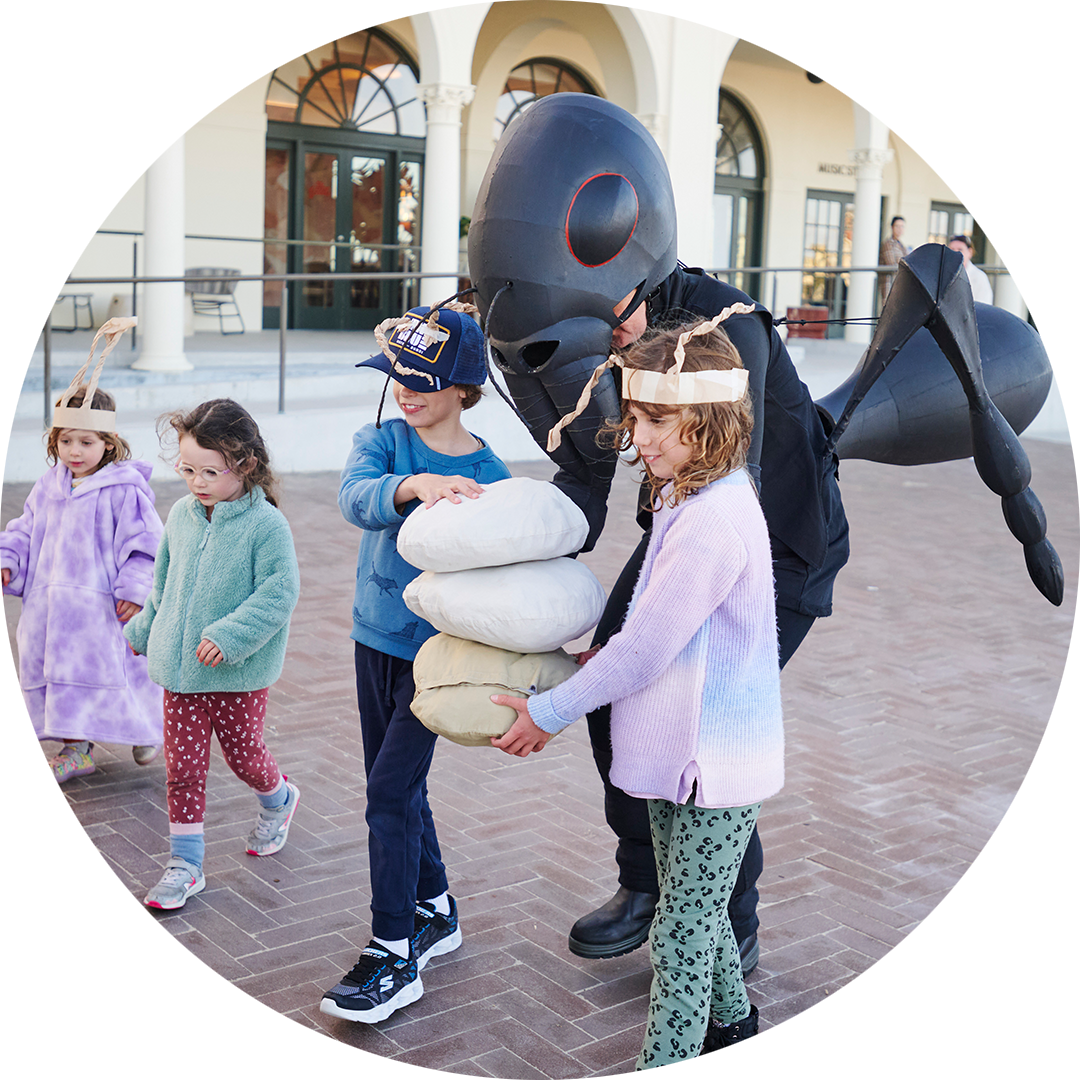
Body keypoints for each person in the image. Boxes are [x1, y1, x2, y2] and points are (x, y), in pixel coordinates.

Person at [492, 315, 782, 1067]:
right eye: (635, 416)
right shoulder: (687, 495)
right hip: (681, 756)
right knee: (701, 911)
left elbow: (650, 647)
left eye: (658, 419)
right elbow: (664, 626)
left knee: (682, 931)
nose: (640, 436)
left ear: (709, 418)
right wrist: (599, 653)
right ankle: (734, 1027)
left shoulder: (713, 517)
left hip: (713, 766)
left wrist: (551, 711)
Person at [564, 266, 848, 970]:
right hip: (689, 520)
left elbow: (728, 470)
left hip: (782, 548)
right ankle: (645, 881)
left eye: (612, 323)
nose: (606, 342)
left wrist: (545, 711)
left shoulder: (726, 325)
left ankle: (729, 924)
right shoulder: (658, 400)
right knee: (617, 697)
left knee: (706, 739)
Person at [320, 303, 512, 1025]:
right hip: (375, 640)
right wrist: (412, 488)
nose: (407, 389)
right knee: (393, 785)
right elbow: (353, 501)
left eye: (424, 380)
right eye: (399, 375)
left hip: (441, 659)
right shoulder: (382, 441)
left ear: (463, 387)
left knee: (389, 795)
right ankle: (437, 908)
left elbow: (504, 572)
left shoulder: (491, 473)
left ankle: (392, 950)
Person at [125, 399, 301, 911]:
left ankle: (279, 798)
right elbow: (164, 585)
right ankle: (185, 865)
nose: (196, 482)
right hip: (179, 673)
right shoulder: (180, 515)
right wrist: (143, 629)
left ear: (244, 465)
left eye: (209, 471)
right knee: (183, 769)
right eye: (187, 470)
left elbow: (279, 593)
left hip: (236, 673)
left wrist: (228, 635)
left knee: (245, 756)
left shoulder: (267, 527)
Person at [0, 379, 163, 781]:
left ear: (109, 443)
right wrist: (8, 559)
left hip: (103, 609)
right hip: (52, 612)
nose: (74, 451)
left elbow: (144, 545)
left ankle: (146, 729)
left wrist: (136, 589)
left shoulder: (124, 491)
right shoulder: (47, 487)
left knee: (121, 672)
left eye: (86, 442)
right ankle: (75, 748)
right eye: (66, 441)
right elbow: (24, 530)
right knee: (63, 676)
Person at [948, 234, 994, 304]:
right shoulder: (941, 274)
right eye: (952, 250)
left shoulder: (979, 277)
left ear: (970, 252)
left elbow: (983, 305)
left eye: (960, 250)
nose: (955, 253)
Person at [878, 216, 910, 303]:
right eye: (897, 226)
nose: (900, 229)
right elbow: (891, 264)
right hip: (889, 284)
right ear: (892, 227)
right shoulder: (888, 244)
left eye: (902, 226)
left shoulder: (902, 245)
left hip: (900, 284)